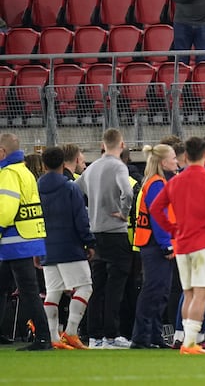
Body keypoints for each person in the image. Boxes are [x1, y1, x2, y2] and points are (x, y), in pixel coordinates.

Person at [150, 137, 205, 355]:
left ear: (185, 156)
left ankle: (186, 340)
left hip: (183, 244)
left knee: (187, 294)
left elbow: (156, 208)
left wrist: (172, 229)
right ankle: (191, 343)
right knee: (202, 295)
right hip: (204, 243)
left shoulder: (175, 181)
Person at [75, 128, 134, 349]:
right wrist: (124, 212)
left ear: (102, 144)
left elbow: (75, 190)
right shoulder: (118, 166)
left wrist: (87, 214)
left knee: (97, 285)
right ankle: (111, 334)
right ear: (121, 144)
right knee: (115, 285)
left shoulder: (92, 168)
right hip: (115, 232)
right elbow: (127, 192)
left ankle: (94, 336)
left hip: (95, 232)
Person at [36, 146, 94, 350]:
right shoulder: (70, 188)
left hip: (46, 246)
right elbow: (81, 218)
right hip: (70, 246)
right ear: (63, 164)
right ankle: (70, 332)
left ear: (43, 165)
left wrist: (36, 248)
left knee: (53, 292)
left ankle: (53, 337)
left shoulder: (36, 188)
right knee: (85, 287)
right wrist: (89, 242)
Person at [0, 133, 53, 351]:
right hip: (28, 238)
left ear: (2, 152)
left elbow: (6, 209)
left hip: (15, 241)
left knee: (28, 290)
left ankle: (43, 337)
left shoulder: (9, 173)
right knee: (6, 287)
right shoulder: (25, 171)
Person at [129, 144, 176, 349]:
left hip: (152, 243)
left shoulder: (156, 182)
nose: (176, 161)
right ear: (164, 162)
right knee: (153, 291)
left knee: (160, 291)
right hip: (155, 245)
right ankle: (141, 337)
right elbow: (159, 217)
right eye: (173, 158)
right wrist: (167, 245)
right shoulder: (157, 184)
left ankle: (154, 336)